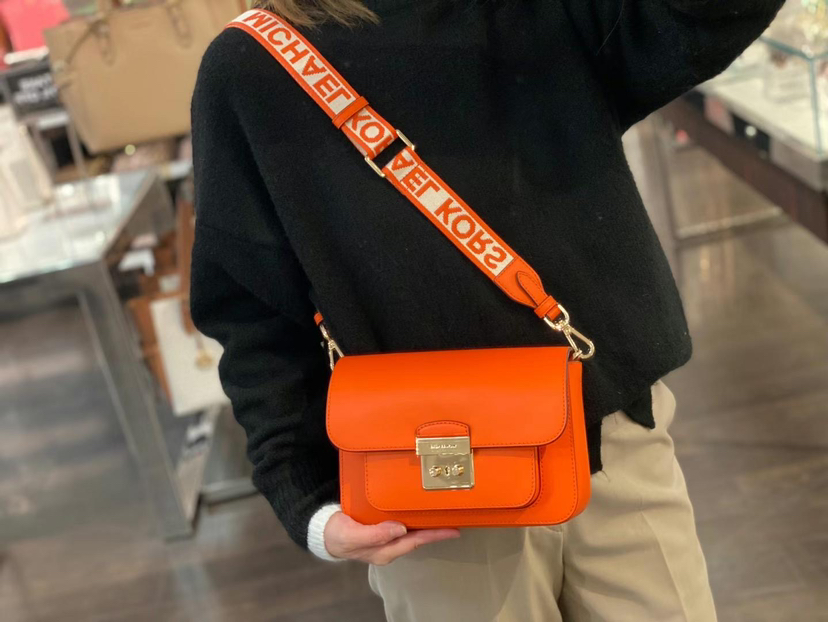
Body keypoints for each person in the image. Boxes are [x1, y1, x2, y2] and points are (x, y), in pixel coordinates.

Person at [190, 1, 783, 619]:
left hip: (611, 432)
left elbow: (699, 21)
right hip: (427, 480)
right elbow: (252, 310)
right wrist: (305, 496)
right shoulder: (252, 66)